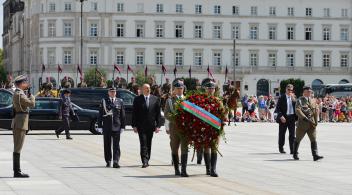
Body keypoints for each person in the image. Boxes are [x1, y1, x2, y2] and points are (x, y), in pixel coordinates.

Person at [132, 84, 162, 168]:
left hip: (151, 126)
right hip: (141, 126)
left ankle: (147, 159)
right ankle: (144, 161)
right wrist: (134, 125)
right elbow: (134, 113)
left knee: (149, 143)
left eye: (149, 88)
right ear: (142, 89)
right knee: (143, 143)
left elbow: (158, 114)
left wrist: (158, 125)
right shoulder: (137, 99)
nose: (148, 89)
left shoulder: (155, 99)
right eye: (146, 88)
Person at [11, 75, 35, 178]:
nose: (26, 83)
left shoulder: (19, 93)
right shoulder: (20, 94)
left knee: (18, 147)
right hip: (20, 123)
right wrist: (32, 97)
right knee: (18, 147)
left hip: (20, 121)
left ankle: (17, 171)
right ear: (21, 83)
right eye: (25, 82)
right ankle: (17, 172)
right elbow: (31, 104)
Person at [164, 80, 189, 177]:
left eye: (181, 88)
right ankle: (176, 169)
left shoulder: (187, 100)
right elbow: (166, 114)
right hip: (174, 128)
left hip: (185, 129)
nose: (179, 90)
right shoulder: (170, 101)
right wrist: (176, 119)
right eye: (178, 88)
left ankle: (184, 170)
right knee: (174, 149)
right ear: (174, 89)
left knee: (184, 148)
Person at [97, 88, 126, 168]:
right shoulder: (104, 101)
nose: (113, 93)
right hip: (107, 126)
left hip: (117, 126)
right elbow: (100, 114)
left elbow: (122, 115)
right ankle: (108, 161)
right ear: (108, 93)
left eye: (114, 92)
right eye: (111, 92)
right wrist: (99, 126)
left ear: (116, 93)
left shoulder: (120, 101)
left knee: (116, 145)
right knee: (107, 145)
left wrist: (123, 126)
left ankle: (116, 161)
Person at [293, 86, 323, 161]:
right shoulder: (300, 100)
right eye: (308, 91)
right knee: (298, 139)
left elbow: (316, 111)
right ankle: (295, 153)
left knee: (313, 139)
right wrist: (304, 118)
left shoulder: (313, 100)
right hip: (302, 124)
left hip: (311, 124)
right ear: (304, 92)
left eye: (310, 91)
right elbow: (297, 110)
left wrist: (316, 122)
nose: (310, 92)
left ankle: (315, 155)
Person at [203, 81, 223, 177]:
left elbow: (222, 114)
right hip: (204, 128)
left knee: (214, 148)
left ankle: (213, 169)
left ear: (215, 90)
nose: (211, 90)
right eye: (209, 88)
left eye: (212, 88)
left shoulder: (218, 101)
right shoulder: (201, 100)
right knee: (206, 148)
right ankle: (208, 168)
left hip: (215, 128)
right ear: (205, 89)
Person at [275, 84, 296, 154]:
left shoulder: (294, 97)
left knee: (292, 135)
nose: (290, 91)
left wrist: (294, 100)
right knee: (282, 134)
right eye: (288, 90)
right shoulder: (282, 97)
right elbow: (277, 108)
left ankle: (292, 149)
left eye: (291, 90)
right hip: (283, 118)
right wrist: (281, 116)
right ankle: (281, 148)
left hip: (292, 117)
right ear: (286, 90)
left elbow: (297, 108)